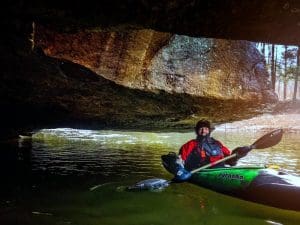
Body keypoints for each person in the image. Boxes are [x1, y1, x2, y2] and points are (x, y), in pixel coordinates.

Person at [176, 119, 247, 172]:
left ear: (209, 131)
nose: (204, 131)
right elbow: (180, 160)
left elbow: (229, 160)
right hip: (199, 171)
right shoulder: (191, 144)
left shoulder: (217, 143)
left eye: (206, 129)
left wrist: (237, 156)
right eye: (201, 129)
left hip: (219, 170)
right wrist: (180, 170)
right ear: (197, 131)